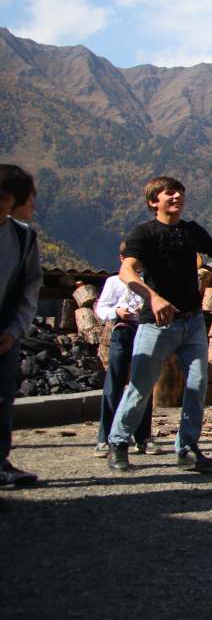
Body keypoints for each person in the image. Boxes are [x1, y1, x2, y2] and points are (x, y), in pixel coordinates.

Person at [105, 177, 212, 473]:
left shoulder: (191, 231)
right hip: (156, 324)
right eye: (170, 193)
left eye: (180, 192)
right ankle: (118, 442)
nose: (178, 196)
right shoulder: (144, 233)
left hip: (192, 322)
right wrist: (152, 298)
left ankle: (187, 448)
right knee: (141, 388)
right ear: (154, 201)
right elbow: (126, 271)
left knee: (197, 385)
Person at [92, 244, 162, 457]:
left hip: (144, 331)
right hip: (121, 331)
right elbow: (101, 308)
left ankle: (143, 437)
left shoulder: (148, 281)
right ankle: (105, 438)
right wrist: (116, 311)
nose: (137, 264)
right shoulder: (113, 281)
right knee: (114, 383)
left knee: (143, 383)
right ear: (122, 258)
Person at [0, 164, 42, 509]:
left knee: (2, 399)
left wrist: (15, 330)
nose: (33, 205)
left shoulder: (23, 237)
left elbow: (31, 287)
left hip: (5, 333)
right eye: (29, 199)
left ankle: (0, 463)